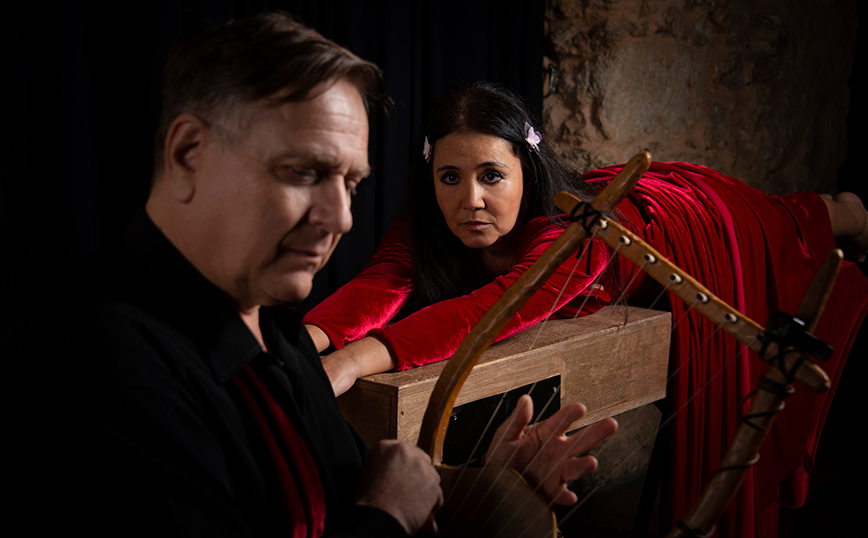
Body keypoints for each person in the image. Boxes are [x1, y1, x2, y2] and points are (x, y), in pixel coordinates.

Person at [0, 14, 618, 537]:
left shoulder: (274, 331)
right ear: (189, 154)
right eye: (304, 173)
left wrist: (482, 490)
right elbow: (371, 510)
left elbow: (338, 496)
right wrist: (387, 516)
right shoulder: (100, 369)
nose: (342, 218)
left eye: (350, 183)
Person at [304, 81, 868, 538]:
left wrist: (351, 361)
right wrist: (301, 345)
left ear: (527, 172)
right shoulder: (428, 225)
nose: (470, 199)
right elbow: (379, 284)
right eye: (450, 177)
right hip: (638, 206)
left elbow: (488, 310)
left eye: (492, 176)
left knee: (785, 224)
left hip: (696, 227)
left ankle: (850, 213)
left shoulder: (573, 237)